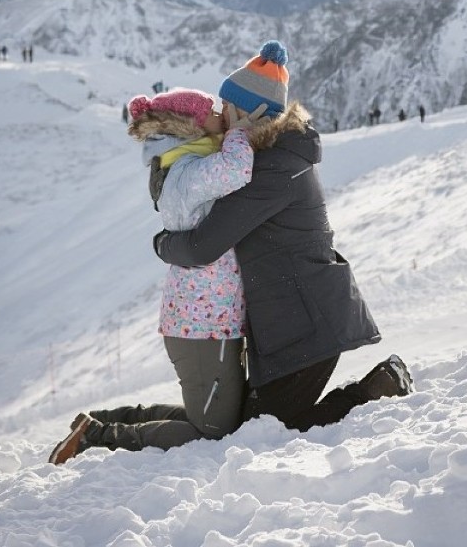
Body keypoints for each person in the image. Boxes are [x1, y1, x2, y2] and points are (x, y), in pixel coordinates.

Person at [155, 41, 413, 434]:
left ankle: (377, 389)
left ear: (250, 112)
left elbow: (201, 246)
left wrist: (160, 243)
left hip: (305, 326)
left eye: (227, 106)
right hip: (295, 321)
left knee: (268, 432)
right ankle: (377, 386)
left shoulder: (272, 170)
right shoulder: (271, 157)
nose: (221, 115)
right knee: (254, 426)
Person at [49, 87, 266, 465]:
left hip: (206, 320)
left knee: (211, 417)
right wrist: (240, 133)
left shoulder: (185, 165)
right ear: (191, 126)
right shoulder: (186, 173)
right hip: (204, 325)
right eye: (214, 111)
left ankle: (102, 423)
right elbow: (236, 169)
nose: (222, 114)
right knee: (211, 430)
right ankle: (95, 438)